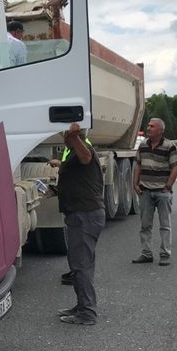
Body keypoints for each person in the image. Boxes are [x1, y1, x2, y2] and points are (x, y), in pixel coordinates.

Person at [55, 122, 105, 325]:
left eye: (65, 137)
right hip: (82, 214)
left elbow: (86, 158)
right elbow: (78, 181)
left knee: (81, 265)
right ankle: (81, 305)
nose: (63, 140)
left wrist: (75, 136)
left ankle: (87, 313)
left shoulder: (84, 151)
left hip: (85, 216)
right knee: (79, 264)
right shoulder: (75, 154)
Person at [132, 118, 177, 265]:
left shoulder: (169, 146)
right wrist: (135, 183)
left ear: (160, 130)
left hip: (162, 192)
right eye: (148, 125)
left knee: (165, 225)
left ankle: (165, 254)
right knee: (145, 225)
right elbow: (138, 165)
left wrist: (168, 186)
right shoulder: (143, 145)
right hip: (145, 191)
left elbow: (175, 167)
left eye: (152, 126)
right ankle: (146, 254)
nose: (148, 128)